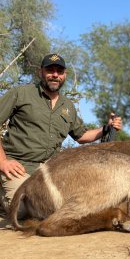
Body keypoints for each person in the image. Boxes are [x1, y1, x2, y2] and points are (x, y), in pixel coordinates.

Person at [0, 53, 122, 216]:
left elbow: (81, 136)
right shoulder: (21, 93)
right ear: (40, 72)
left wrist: (106, 128)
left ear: (65, 75)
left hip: (51, 170)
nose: (55, 75)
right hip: (18, 167)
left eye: (59, 71)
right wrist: (3, 162)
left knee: (72, 203)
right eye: (50, 70)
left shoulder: (68, 106)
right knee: (21, 211)